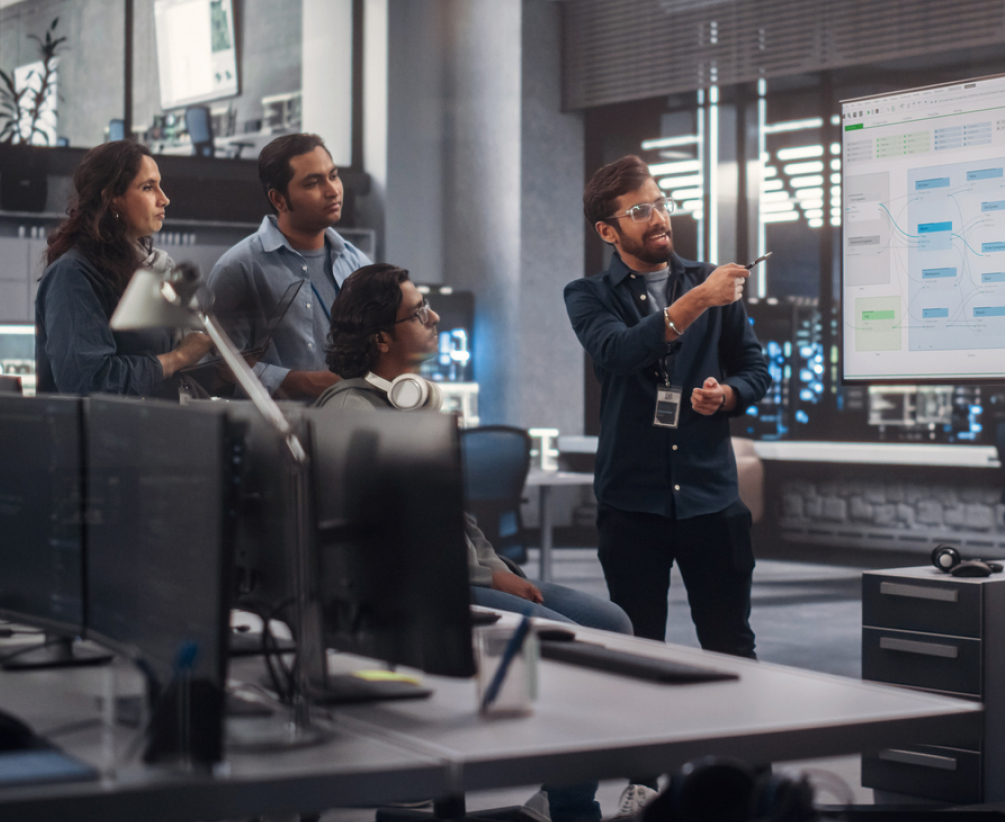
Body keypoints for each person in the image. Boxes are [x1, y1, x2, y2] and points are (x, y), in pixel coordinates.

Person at [318, 263, 636, 822]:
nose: (433, 316)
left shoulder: (408, 404)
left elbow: (449, 513)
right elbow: (400, 532)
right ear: (382, 338)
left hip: (466, 573)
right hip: (413, 592)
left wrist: (494, 564)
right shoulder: (351, 411)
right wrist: (489, 576)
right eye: (418, 311)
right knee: (567, 644)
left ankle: (558, 799)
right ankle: (567, 806)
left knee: (612, 624)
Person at [565, 155, 771, 657]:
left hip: (711, 497)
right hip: (632, 503)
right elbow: (619, 352)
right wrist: (701, 298)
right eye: (640, 211)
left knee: (731, 643)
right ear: (608, 231)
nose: (659, 218)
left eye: (660, 204)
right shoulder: (588, 295)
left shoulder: (707, 281)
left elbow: (755, 370)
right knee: (638, 646)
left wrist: (727, 395)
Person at [35, 141, 213, 397]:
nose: (164, 199)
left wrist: (221, 371)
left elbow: (160, 376)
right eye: (148, 187)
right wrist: (181, 356)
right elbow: (88, 380)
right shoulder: (73, 275)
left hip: (153, 429)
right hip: (103, 434)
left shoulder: (151, 267)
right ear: (113, 199)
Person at [207, 133, 371, 400]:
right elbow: (218, 368)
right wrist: (307, 383)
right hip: (277, 432)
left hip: (352, 425)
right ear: (279, 199)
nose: (332, 190)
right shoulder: (238, 268)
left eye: (333, 175)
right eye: (313, 183)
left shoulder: (358, 264)